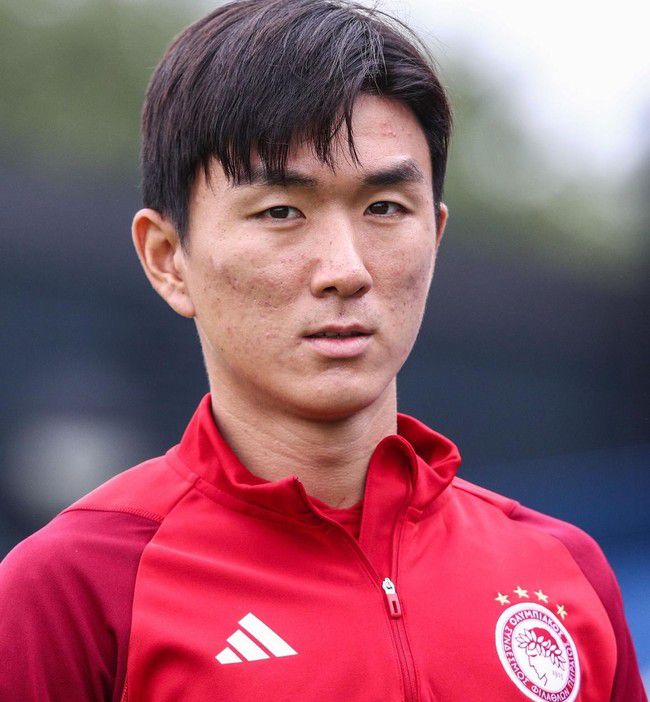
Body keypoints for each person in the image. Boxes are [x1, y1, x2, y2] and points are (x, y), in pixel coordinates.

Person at [0, 0, 645, 700]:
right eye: (281, 211)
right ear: (167, 258)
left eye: (384, 208)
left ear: (435, 235)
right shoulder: (77, 590)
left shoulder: (563, 574)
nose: (346, 269)